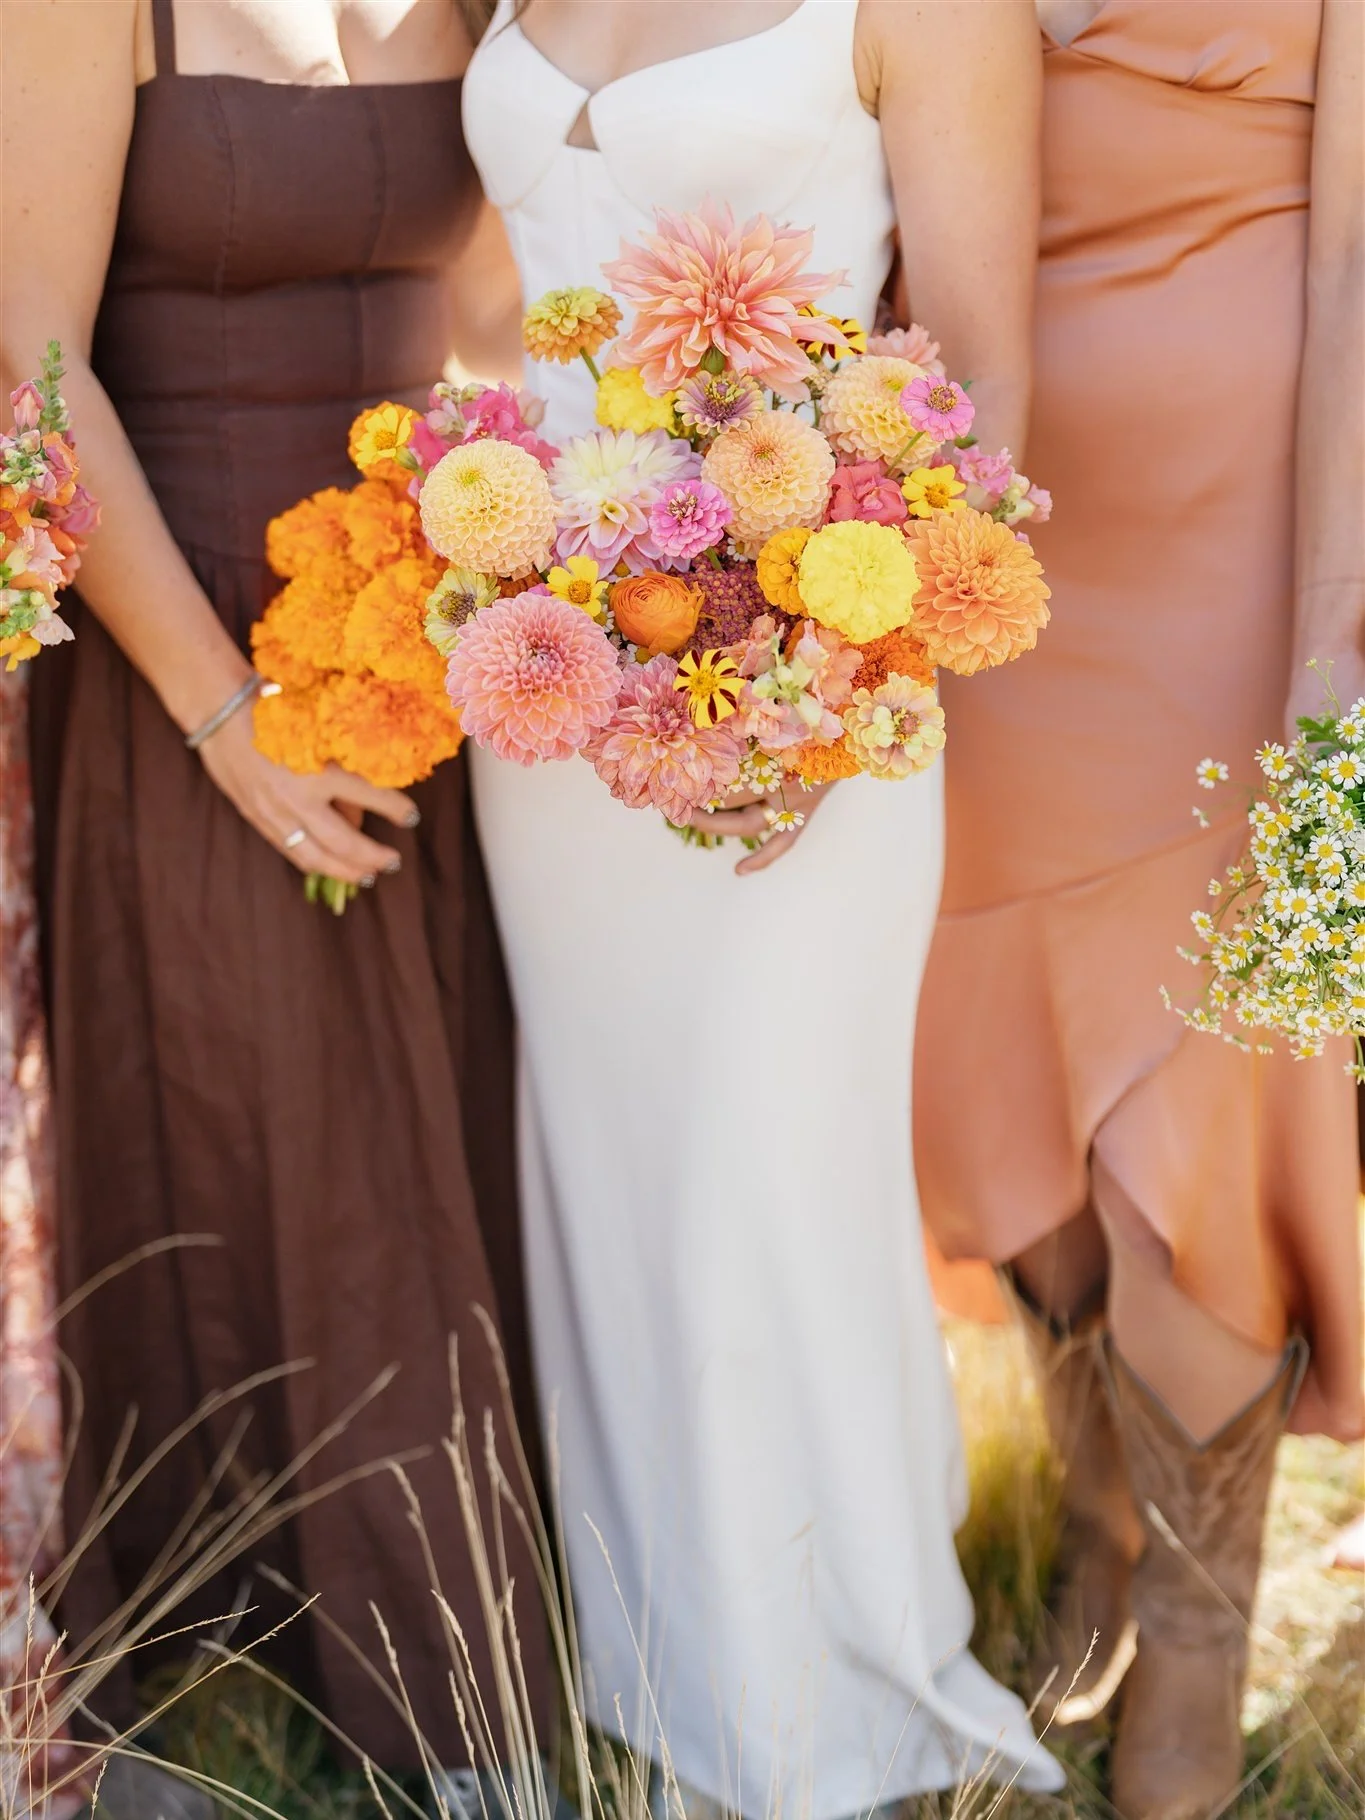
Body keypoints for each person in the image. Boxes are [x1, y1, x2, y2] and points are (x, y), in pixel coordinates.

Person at [459, 1, 1062, 1812]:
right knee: (607, 1161)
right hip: (552, 668)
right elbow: (493, 307)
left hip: (809, 678)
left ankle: (829, 1716)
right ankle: (669, 1680)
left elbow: (978, 387)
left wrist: (838, 690)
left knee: (765, 1168)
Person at [4, 0, 546, 1786]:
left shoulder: (479, 5)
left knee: (425, 1121)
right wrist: (223, 717)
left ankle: (470, 1630)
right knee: (271, 1124)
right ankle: (307, 1656)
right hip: (180, 632)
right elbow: (32, 367)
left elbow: (487, 314)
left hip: (423, 624)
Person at [915, 3, 1365, 1816]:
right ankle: (1096, 1539)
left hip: (1243, 536)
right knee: (1000, 1040)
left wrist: (1338, 626)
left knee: (1205, 1078)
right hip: (975, 521)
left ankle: (1191, 1637)